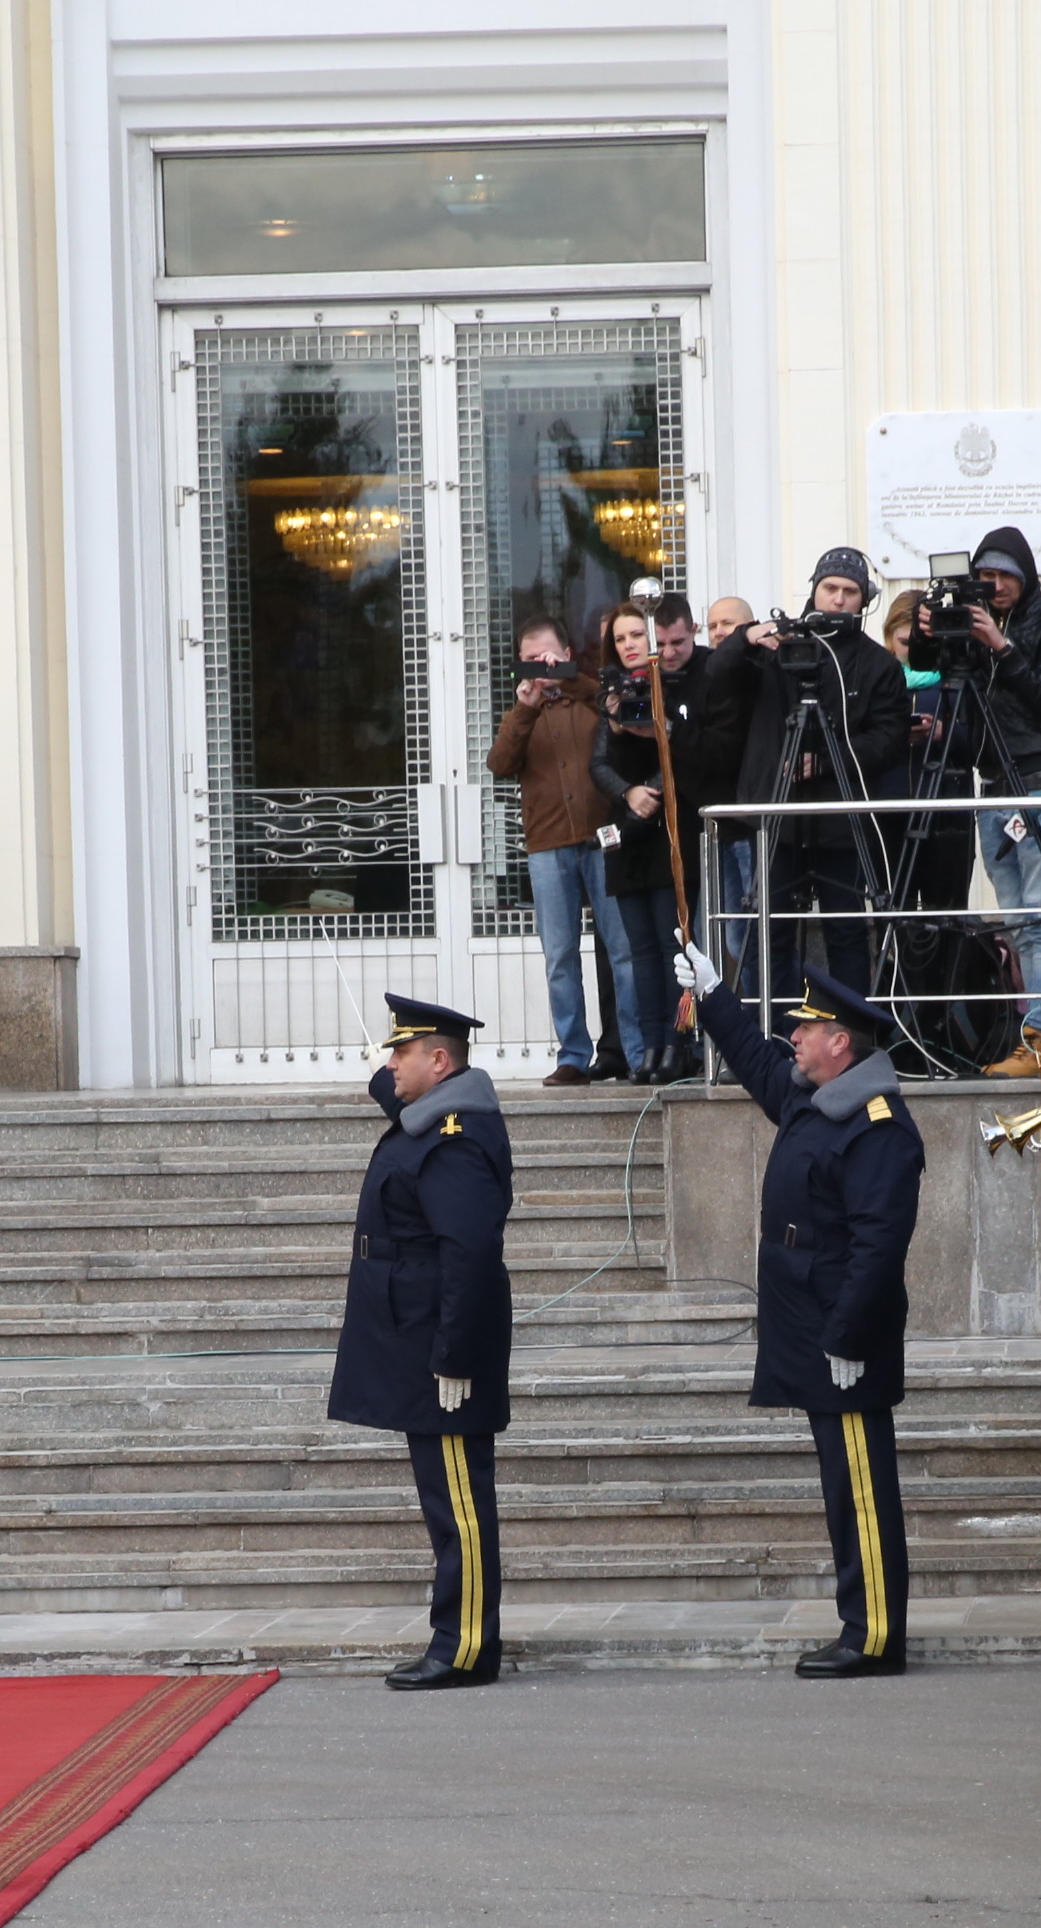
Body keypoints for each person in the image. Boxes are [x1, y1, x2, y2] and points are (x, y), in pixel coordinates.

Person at [672, 953, 925, 1677]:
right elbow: (757, 1063)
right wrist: (716, 997)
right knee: (844, 1485)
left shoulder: (876, 1124)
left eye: (807, 1029)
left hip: (842, 1330)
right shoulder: (820, 1097)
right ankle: (863, 1623)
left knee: (861, 1489)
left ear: (840, 1043)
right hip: (814, 1319)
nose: (796, 1038)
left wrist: (847, 1336)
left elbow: (879, 1244)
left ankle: (874, 1633)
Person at [329, 996, 515, 1691]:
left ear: (439, 1061)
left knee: (459, 1502)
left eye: (401, 1053)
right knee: (445, 1497)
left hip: (441, 1346)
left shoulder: (457, 1138)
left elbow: (468, 1252)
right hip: (416, 1337)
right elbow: (404, 1111)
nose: (389, 1063)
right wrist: (387, 1084)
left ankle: (464, 1644)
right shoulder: (435, 1116)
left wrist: (455, 1358)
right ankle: (458, 1634)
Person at [701, 550, 910, 998]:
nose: (837, 600)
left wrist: (829, 761)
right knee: (769, 935)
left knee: (847, 933)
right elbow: (716, 675)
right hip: (777, 817)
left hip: (842, 818)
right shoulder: (775, 648)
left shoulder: (879, 665)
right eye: (829, 589)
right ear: (814, 589)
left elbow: (889, 738)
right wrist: (746, 636)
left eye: (849, 592)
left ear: (865, 600)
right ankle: (773, 1038)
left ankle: (851, 1041)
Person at [937, 525, 1041, 1075]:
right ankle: (1030, 1035)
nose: (994, 584)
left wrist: (1000, 647)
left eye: (1004, 575)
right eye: (985, 575)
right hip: (995, 785)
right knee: (1016, 918)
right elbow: (940, 671)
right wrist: (942, 630)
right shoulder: (974, 624)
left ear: (1025, 575)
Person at [491, 616, 641, 1086]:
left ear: (567, 653)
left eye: (549, 657)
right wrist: (526, 709)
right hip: (547, 845)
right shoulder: (521, 712)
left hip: (602, 839)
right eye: (531, 660)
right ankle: (573, 1054)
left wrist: (570, 677)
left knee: (623, 951)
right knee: (560, 956)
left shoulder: (592, 695)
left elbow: (613, 714)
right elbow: (500, 764)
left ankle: (637, 1052)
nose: (541, 667)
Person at [588, 602, 688, 1081]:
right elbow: (598, 764)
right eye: (622, 637)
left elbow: (681, 751)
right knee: (640, 949)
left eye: (637, 635)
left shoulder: (670, 686)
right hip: (625, 833)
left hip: (663, 828)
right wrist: (629, 795)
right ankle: (649, 1046)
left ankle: (677, 1044)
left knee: (673, 946)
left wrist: (650, 791)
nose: (629, 645)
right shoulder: (607, 695)